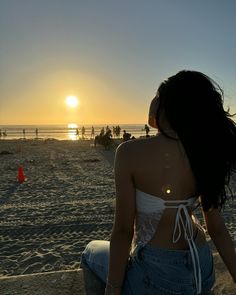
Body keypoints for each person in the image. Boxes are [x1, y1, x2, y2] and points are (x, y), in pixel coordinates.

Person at [80, 70, 236, 294]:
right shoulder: (205, 152)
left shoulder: (129, 152)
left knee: (89, 252)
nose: (152, 100)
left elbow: (124, 230)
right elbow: (216, 227)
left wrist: (113, 289)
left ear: (167, 105)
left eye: (156, 95)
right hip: (202, 266)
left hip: (159, 274)